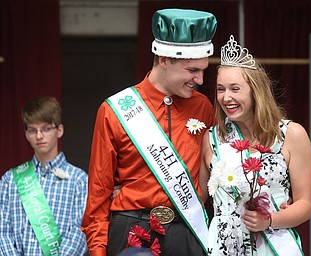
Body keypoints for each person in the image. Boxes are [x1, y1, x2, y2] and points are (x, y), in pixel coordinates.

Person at [81, 8, 217, 256]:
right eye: (192, 70)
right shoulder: (114, 110)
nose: (199, 79)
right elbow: (98, 194)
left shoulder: (203, 107)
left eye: (203, 70)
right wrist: (98, 251)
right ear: (164, 60)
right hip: (131, 230)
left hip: (187, 230)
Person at [200, 35, 311, 255]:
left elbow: (305, 204)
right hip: (224, 247)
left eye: (235, 89)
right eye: (221, 89)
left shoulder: (292, 135)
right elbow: (195, 200)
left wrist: (271, 219)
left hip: (274, 245)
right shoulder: (211, 139)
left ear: (256, 91)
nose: (226, 97)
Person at [0, 96, 88, 255]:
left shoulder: (79, 180)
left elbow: (79, 232)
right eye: (32, 130)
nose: (39, 136)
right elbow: (3, 232)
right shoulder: (9, 180)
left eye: (46, 128)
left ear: (59, 130)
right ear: (26, 134)